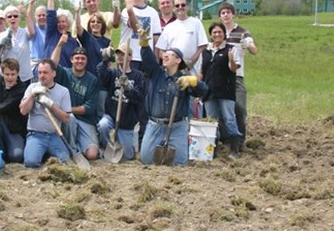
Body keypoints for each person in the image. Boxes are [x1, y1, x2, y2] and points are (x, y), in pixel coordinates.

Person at [138, 29, 208, 166]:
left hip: (177, 127)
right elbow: (148, 60)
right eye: (164, 54)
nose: (165, 56)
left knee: (181, 162)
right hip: (155, 125)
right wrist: (145, 45)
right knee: (146, 159)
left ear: (178, 60)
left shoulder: (184, 80)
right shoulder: (156, 73)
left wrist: (194, 82)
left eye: (170, 55)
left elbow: (204, 91)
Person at [199, 22, 243, 159]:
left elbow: (233, 69)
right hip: (209, 92)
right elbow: (202, 71)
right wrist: (197, 86)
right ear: (211, 35)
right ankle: (213, 147)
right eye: (214, 32)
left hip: (225, 91)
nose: (217, 35)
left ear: (224, 34)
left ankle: (234, 148)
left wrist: (231, 60)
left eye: (219, 32)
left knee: (229, 119)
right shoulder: (206, 52)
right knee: (212, 121)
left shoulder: (230, 49)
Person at [51, 42, 101, 160]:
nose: (80, 61)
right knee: (70, 118)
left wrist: (67, 109)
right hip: (67, 120)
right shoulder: (64, 74)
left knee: (92, 155)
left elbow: (89, 108)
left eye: (83, 58)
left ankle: (80, 145)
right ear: (71, 60)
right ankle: (73, 148)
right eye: (77, 58)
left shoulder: (92, 80)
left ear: (86, 61)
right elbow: (52, 64)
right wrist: (59, 45)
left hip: (86, 121)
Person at [219, 2, 258, 149]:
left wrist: (247, 45)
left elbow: (254, 50)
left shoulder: (242, 32)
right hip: (222, 78)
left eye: (228, 12)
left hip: (237, 77)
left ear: (233, 14)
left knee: (240, 108)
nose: (226, 15)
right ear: (220, 16)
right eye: (223, 13)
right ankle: (226, 140)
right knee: (223, 110)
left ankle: (240, 141)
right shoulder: (218, 33)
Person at [20, 59, 72, 168]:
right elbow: (23, 111)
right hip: (36, 135)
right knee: (31, 163)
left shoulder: (63, 91)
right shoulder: (32, 88)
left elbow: (66, 118)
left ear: (53, 73)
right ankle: (40, 152)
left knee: (65, 162)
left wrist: (50, 104)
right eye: (39, 72)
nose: (42, 75)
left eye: (45, 72)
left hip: (55, 135)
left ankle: (48, 154)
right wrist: (32, 96)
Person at [97, 44, 145, 160]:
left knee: (127, 157)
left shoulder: (138, 76)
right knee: (103, 125)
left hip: (127, 120)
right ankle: (107, 146)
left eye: (123, 54)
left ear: (130, 57)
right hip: (111, 116)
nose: (120, 56)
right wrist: (104, 61)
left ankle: (127, 147)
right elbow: (102, 76)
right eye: (118, 54)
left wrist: (128, 87)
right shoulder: (113, 73)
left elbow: (139, 97)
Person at [155, 0, 208, 77]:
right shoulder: (169, 27)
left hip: (192, 73)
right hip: (172, 73)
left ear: (187, 7)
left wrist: (189, 63)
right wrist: (171, 63)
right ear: (173, 8)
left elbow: (202, 46)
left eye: (183, 5)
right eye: (177, 5)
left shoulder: (196, 23)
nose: (180, 7)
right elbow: (161, 51)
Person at [120, 0, 162, 72]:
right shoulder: (125, 11)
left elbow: (156, 37)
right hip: (130, 56)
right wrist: (130, 10)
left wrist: (155, 58)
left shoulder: (153, 12)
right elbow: (135, 28)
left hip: (146, 57)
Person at [0, 5, 34, 85]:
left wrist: (26, 14)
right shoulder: (1, 36)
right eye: (9, 16)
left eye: (15, 16)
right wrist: (0, 45)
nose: (12, 18)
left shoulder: (25, 32)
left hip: (24, 76)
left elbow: (32, 33)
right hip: (8, 76)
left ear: (19, 18)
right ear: (6, 20)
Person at [43, 0, 78, 69]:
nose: (61, 24)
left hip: (65, 75)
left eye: (63, 22)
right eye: (58, 22)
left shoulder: (73, 42)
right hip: (48, 72)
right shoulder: (52, 34)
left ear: (68, 23)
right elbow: (50, 13)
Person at [26, 0, 46, 79]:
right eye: (39, 15)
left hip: (48, 66)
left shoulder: (51, 30)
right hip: (36, 66)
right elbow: (29, 17)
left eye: (43, 15)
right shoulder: (34, 29)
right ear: (35, 17)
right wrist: (31, 3)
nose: (41, 17)